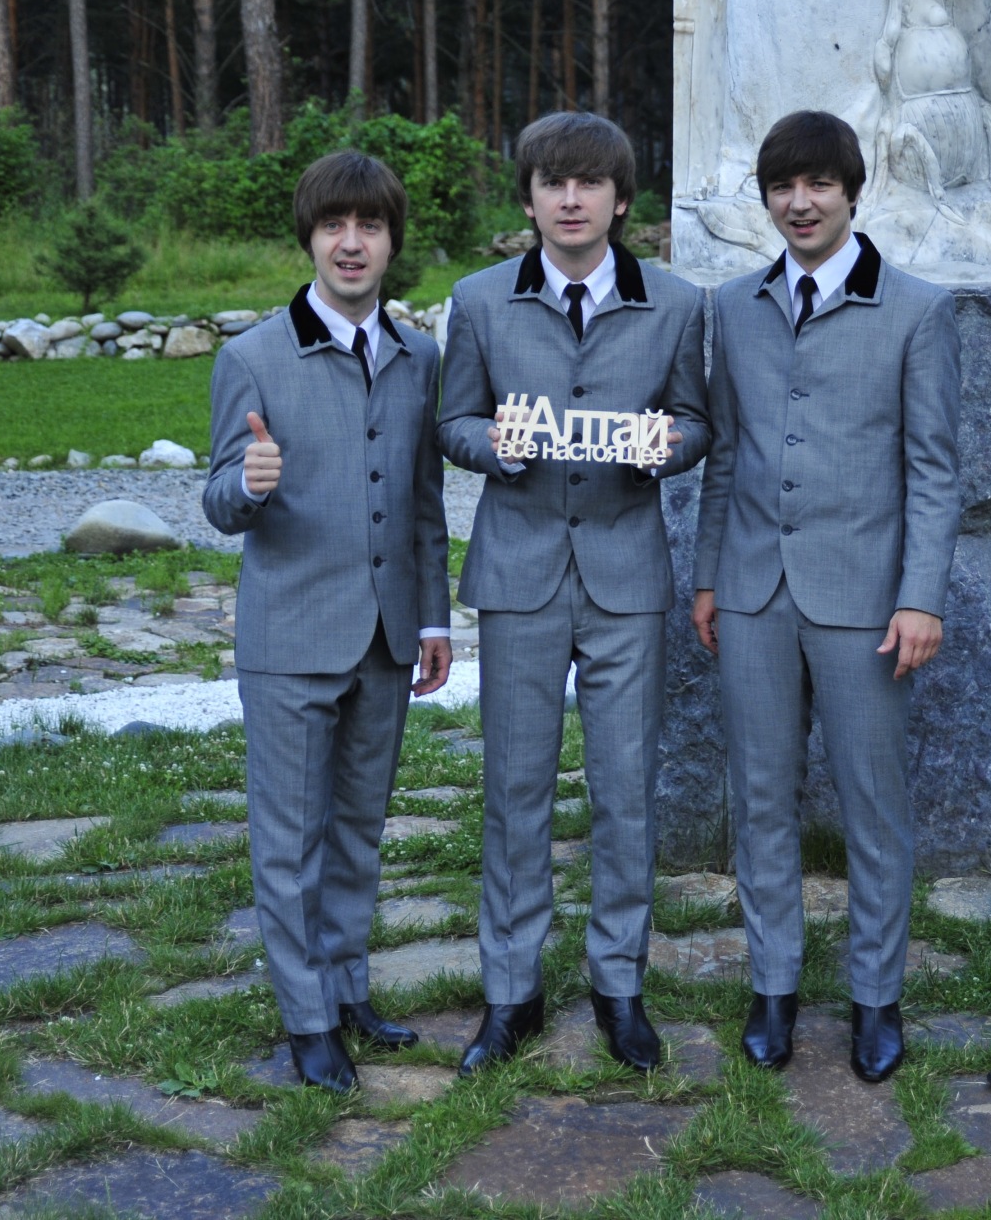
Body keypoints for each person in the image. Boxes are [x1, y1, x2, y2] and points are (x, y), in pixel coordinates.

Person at [437, 111, 711, 1076]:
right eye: (552, 182)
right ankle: (510, 990)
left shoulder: (676, 303)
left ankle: (619, 987)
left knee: (625, 787)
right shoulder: (478, 301)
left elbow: (696, 422)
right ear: (528, 200)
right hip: (519, 570)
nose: (570, 199)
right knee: (515, 788)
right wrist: (493, 445)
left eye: (589, 183)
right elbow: (453, 422)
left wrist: (667, 446)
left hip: (626, 573)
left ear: (621, 200)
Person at [692, 109, 960, 1083]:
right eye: (781, 187)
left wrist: (921, 596)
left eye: (818, 185)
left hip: (866, 599)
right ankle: (773, 987)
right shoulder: (732, 306)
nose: (799, 203)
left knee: (871, 804)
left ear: (852, 191)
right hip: (752, 592)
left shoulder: (919, 311)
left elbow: (935, 471)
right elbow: (726, 454)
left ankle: (877, 998)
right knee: (760, 795)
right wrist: (710, 575)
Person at [202, 150, 454, 1094]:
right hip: (292, 639)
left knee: (358, 829)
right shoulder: (253, 358)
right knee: (290, 842)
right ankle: (306, 1018)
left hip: (387, 638)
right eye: (333, 226)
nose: (352, 244)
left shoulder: (418, 356)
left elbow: (423, 502)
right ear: (308, 239)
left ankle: (347, 989)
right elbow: (219, 501)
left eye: (370, 227)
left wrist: (433, 621)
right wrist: (248, 483)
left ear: (392, 242)